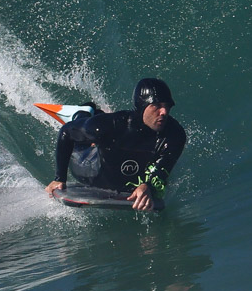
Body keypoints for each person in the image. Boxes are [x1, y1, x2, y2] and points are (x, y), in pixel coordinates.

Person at [45, 78, 187, 211]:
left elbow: (162, 170)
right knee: (85, 141)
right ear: (142, 106)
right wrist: (59, 178)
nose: (164, 112)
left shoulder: (175, 135)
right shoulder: (110, 126)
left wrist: (148, 186)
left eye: (167, 106)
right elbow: (66, 132)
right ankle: (83, 112)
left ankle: (98, 116)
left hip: (123, 168)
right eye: (156, 106)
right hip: (92, 168)